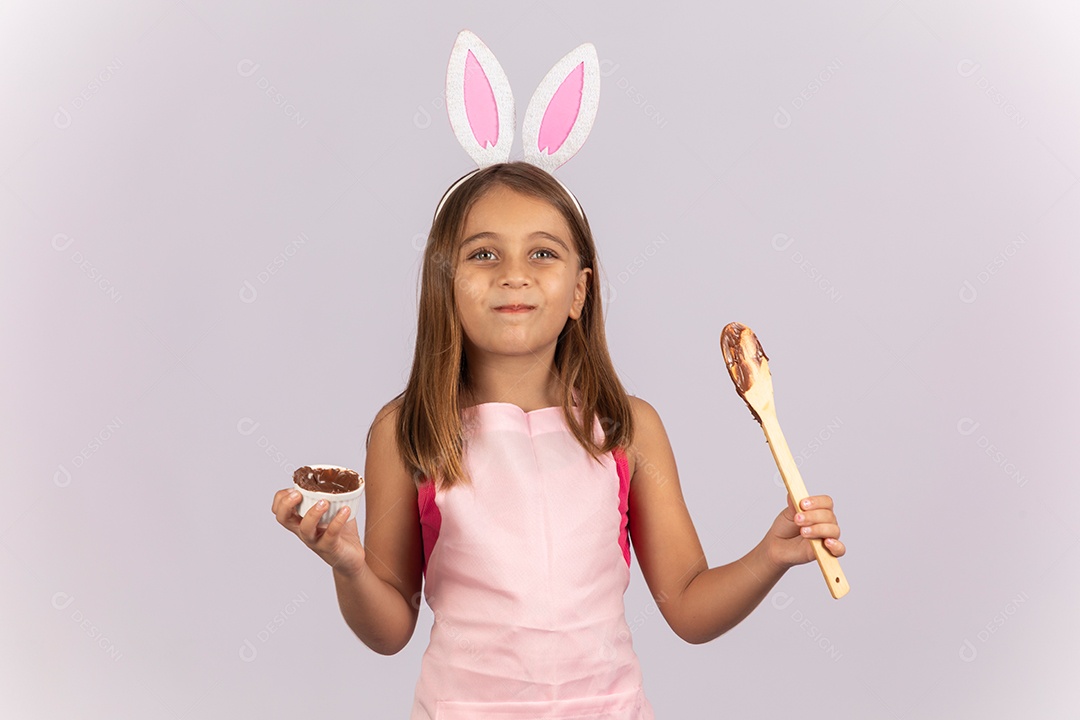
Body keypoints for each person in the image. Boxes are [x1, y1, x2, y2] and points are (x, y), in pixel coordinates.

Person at [271, 161, 846, 718]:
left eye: (542, 253)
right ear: (445, 284)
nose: (513, 273)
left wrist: (770, 557)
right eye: (483, 254)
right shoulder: (408, 430)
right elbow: (390, 627)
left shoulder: (628, 428)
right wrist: (347, 566)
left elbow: (689, 607)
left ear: (579, 291)